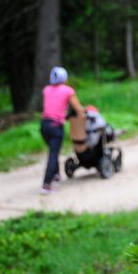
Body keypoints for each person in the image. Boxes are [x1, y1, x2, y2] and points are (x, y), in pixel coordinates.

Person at [40, 66, 84, 194]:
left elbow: (52, 106)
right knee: (53, 154)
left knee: (53, 150)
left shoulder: (46, 90)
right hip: (55, 127)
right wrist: (83, 113)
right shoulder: (67, 91)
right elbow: (78, 109)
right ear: (64, 78)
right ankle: (46, 185)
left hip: (44, 125)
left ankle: (56, 175)